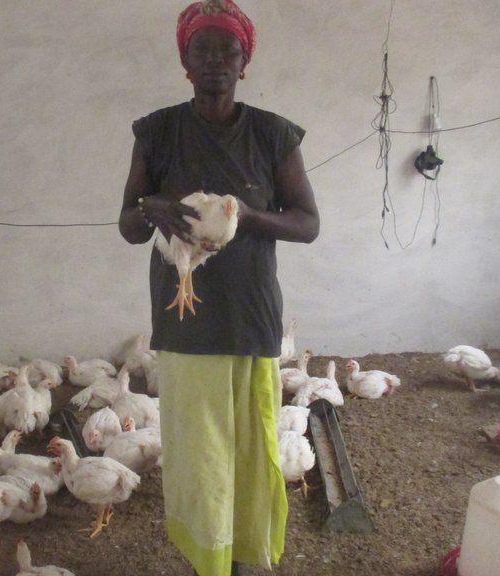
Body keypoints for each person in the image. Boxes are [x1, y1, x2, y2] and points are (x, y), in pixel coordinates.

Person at [118, 1, 319, 575]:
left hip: (250, 315)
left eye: (227, 50)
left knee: (251, 444)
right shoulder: (157, 132)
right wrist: (150, 207)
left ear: (243, 62)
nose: (214, 60)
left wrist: (248, 217)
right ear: (185, 62)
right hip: (185, 319)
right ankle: (206, 554)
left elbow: (308, 223)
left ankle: (247, 555)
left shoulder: (273, 134)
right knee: (198, 451)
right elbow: (128, 226)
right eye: (201, 49)